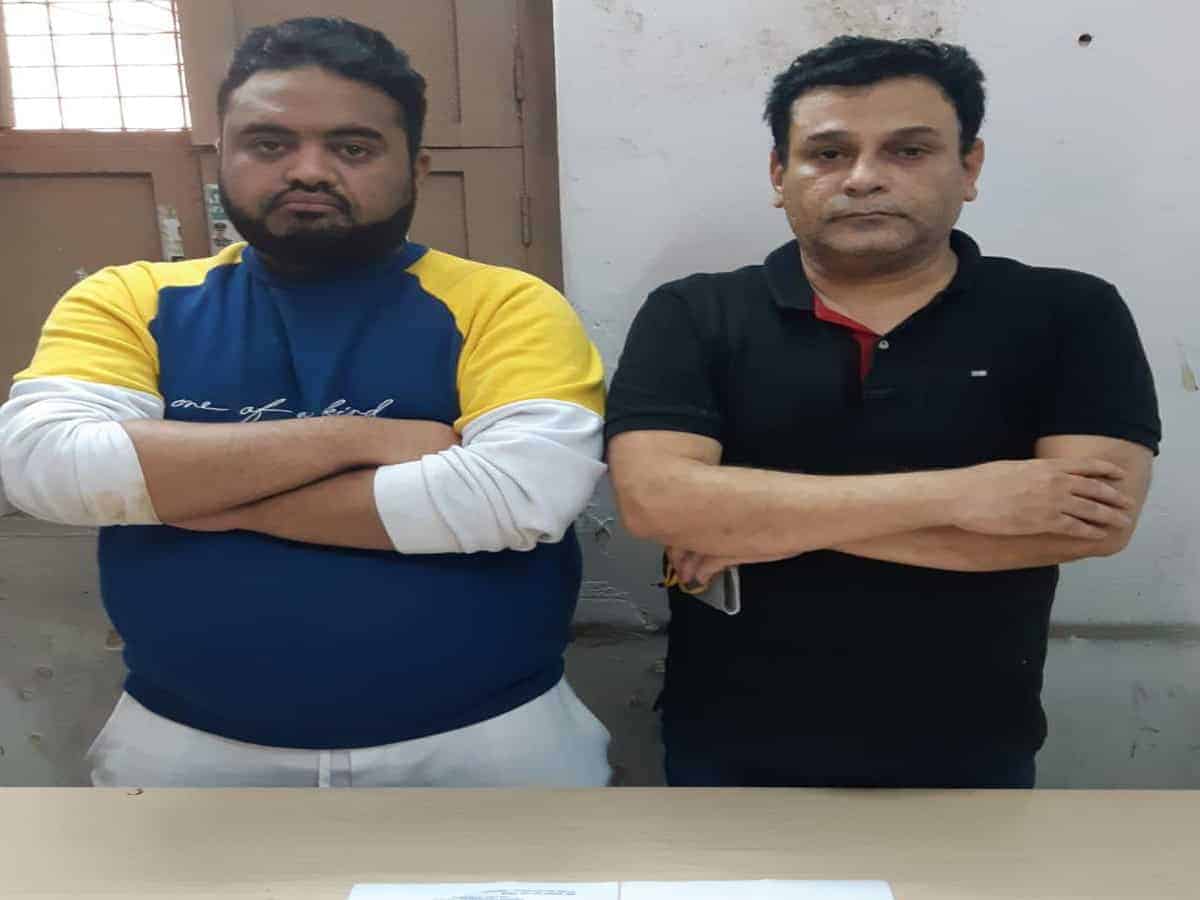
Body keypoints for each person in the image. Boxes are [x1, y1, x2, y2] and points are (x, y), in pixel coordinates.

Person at [0, 17, 610, 788]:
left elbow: (516, 497)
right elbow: (45, 468)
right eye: (269, 144)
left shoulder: (507, 305)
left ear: (416, 167)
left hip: (492, 745)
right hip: (186, 749)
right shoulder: (129, 300)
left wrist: (192, 495)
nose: (309, 171)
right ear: (222, 156)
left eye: (353, 148)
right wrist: (354, 439)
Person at [604, 36, 1160, 788]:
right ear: (779, 175)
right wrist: (970, 494)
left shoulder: (1070, 311)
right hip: (727, 748)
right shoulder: (695, 312)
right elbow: (657, 503)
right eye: (829, 153)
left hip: (974, 747)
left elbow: (1088, 523)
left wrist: (760, 527)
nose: (864, 177)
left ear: (969, 168)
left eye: (909, 151)